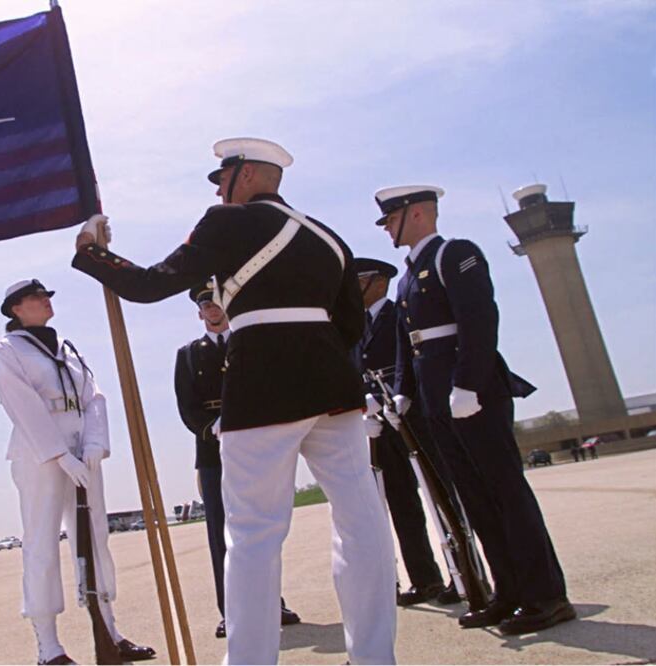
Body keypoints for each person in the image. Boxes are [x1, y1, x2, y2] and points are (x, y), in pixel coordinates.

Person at [72, 138, 396, 665]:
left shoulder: (224, 223)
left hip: (261, 385)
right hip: (336, 389)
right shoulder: (328, 237)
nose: (220, 190)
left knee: (252, 536)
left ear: (245, 176)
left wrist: (92, 251)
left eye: (222, 179)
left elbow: (152, 285)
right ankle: (376, 657)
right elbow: (352, 325)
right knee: (361, 525)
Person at [375, 185, 575, 634]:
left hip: (472, 394)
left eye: (392, 218)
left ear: (420, 214)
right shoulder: (409, 275)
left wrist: (467, 384)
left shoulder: (455, 254)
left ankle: (546, 595)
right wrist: (405, 392)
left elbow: (480, 319)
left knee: (506, 493)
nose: (387, 226)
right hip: (435, 401)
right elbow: (410, 343)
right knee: (474, 499)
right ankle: (508, 592)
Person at [0, 279, 155, 665]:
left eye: (47, 296)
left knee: (95, 539)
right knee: (42, 542)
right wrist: (59, 454)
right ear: (16, 308)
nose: (45, 302)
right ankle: (48, 647)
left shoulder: (67, 348)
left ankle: (109, 632)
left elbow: (93, 396)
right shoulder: (7, 352)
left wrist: (96, 443)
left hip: (84, 451)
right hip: (39, 454)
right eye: (35, 298)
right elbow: (22, 405)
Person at [174, 281, 302, 638]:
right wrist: (211, 426)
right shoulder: (187, 355)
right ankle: (230, 611)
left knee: (263, 526)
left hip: (255, 446)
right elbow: (187, 408)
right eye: (206, 305)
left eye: (217, 302)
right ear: (199, 312)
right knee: (221, 532)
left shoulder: (251, 344)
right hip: (213, 450)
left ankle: (271, 602)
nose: (213, 310)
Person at [353, 257, 460, 607]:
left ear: (379, 282)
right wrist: (363, 404)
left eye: (360, 281)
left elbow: (411, 359)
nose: (353, 290)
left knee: (439, 491)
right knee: (401, 500)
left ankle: (462, 572)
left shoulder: (398, 313)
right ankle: (424, 577)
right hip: (379, 419)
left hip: (410, 412)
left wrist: (404, 395)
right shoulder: (356, 325)